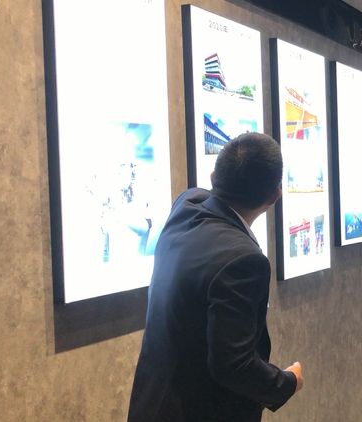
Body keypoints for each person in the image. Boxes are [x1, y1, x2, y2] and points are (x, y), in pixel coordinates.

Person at [128, 133, 303, 422]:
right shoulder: (244, 260)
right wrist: (287, 382)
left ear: (213, 177)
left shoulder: (186, 205)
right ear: (275, 196)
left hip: (153, 406)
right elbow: (234, 365)